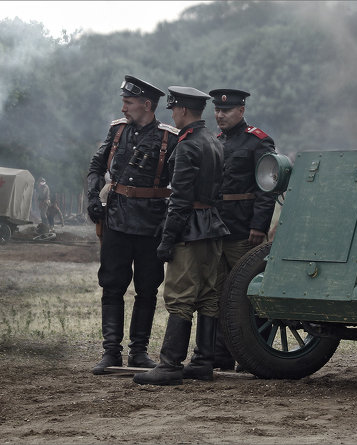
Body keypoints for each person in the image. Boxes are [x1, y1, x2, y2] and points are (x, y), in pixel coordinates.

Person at [133, 86, 230, 386]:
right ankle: (203, 361)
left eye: (173, 109)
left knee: (179, 296)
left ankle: (170, 364)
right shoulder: (214, 141)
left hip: (189, 228)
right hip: (212, 228)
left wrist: (166, 239)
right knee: (208, 296)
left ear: (183, 111)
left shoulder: (188, 145)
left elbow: (180, 199)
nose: (172, 114)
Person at [85, 75, 181, 374]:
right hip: (115, 219)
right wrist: (92, 197)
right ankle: (110, 351)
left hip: (151, 224)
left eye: (129, 102)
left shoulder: (170, 138)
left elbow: (179, 184)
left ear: (147, 105)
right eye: (124, 102)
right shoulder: (117, 131)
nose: (124, 107)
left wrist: (168, 222)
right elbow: (96, 167)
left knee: (147, 289)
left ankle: (138, 353)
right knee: (111, 286)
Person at [206, 88, 279, 372]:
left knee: (249, 294)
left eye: (226, 110)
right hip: (218, 228)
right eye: (217, 110)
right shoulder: (215, 141)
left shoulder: (258, 141)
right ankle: (221, 355)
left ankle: (254, 355)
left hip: (245, 229)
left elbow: (267, 186)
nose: (220, 115)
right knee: (219, 292)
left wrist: (258, 226)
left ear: (241, 111)